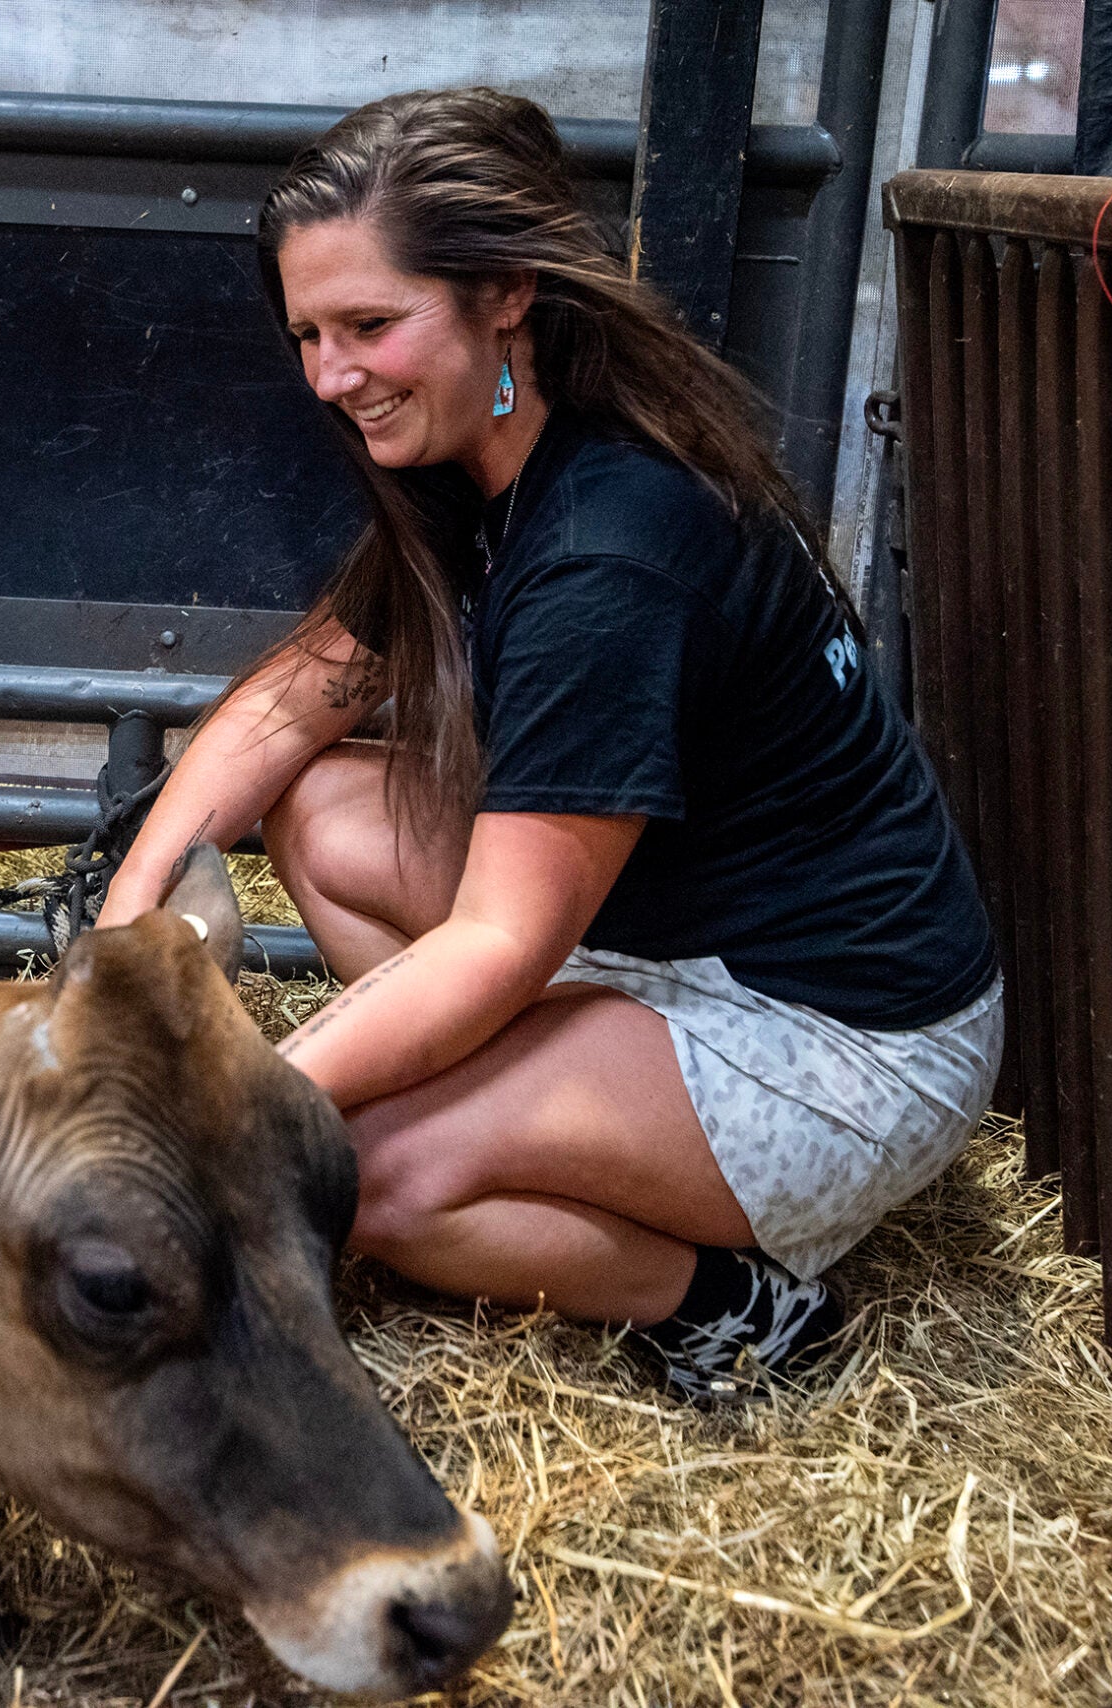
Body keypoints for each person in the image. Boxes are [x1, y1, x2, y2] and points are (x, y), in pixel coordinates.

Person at [92, 87, 1002, 1404]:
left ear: (503, 292)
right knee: (324, 813)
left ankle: (736, 1308)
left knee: (379, 1181)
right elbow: (297, 698)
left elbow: (499, 941)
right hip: (675, 922)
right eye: (307, 334)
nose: (334, 377)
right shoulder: (483, 449)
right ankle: (528, 1116)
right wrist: (126, 929)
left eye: (370, 325)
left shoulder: (610, 543)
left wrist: (229, 1118)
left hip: (836, 1030)